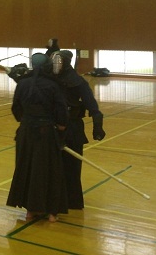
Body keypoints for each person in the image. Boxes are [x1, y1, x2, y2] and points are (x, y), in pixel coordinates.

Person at [6, 53, 69, 223]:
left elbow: (16, 108)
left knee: (28, 169)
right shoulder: (53, 85)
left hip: (26, 133)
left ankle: (30, 211)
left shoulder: (23, 84)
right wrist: (60, 127)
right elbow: (61, 112)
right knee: (50, 171)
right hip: (46, 133)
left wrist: (27, 120)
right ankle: (52, 212)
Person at [51, 50, 106, 210]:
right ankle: (54, 200)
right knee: (53, 167)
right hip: (52, 129)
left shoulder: (78, 82)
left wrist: (97, 126)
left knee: (71, 168)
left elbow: (93, 107)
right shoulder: (49, 79)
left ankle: (72, 201)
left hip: (72, 129)